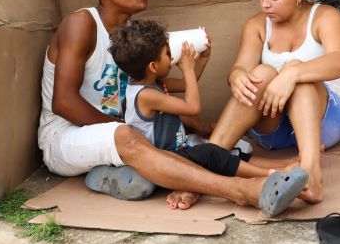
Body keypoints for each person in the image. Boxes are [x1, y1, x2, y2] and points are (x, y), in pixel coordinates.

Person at [37, 0, 308, 216]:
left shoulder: (130, 37)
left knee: (197, 144)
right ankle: (243, 191)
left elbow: (160, 95)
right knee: (132, 136)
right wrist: (129, 129)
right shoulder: (82, 24)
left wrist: (196, 125)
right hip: (65, 137)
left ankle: (273, 170)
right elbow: (63, 102)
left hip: (113, 134)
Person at [171, 0, 340, 209]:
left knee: (300, 76)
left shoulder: (324, 16)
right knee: (262, 73)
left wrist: (292, 74)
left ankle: (312, 174)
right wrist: (237, 78)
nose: (264, 4)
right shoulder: (257, 25)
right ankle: (206, 163)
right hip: (274, 130)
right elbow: (239, 68)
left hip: (324, 121)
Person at [108, 19, 283, 182]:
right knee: (212, 153)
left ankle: (285, 165)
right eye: (168, 54)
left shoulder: (150, 83)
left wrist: (202, 58)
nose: (172, 57)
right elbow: (193, 107)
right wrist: (187, 68)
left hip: (175, 151)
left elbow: (187, 84)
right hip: (164, 161)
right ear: (153, 67)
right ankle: (268, 175)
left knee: (228, 152)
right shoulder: (146, 95)